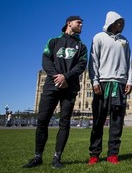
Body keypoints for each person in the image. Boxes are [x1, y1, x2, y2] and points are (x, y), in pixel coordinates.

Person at [23, 16, 88, 169]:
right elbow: (46, 60)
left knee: (64, 123)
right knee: (42, 121)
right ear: (69, 23)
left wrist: (65, 76)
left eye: (82, 23)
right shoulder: (53, 41)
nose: (81, 25)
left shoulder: (82, 46)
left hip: (69, 88)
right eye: (79, 23)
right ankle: (37, 156)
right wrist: (57, 76)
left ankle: (57, 157)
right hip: (51, 86)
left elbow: (82, 65)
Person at [87, 11, 132, 165]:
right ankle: (94, 153)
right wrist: (94, 81)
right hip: (103, 83)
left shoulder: (124, 41)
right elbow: (93, 61)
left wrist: (130, 81)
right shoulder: (98, 37)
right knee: (98, 120)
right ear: (112, 22)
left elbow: (129, 62)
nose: (122, 25)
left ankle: (113, 154)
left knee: (117, 121)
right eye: (120, 22)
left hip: (120, 85)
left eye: (123, 23)